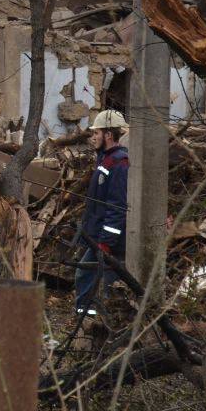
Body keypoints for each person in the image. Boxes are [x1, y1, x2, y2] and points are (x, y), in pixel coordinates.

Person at [76, 109, 130, 317]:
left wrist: (106, 241)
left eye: (96, 133)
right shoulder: (105, 160)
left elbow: (117, 205)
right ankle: (93, 318)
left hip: (109, 239)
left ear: (108, 134)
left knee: (88, 274)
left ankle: (91, 319)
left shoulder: (119, 163)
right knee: (95, 276)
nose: (93, 137)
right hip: (98, 234)